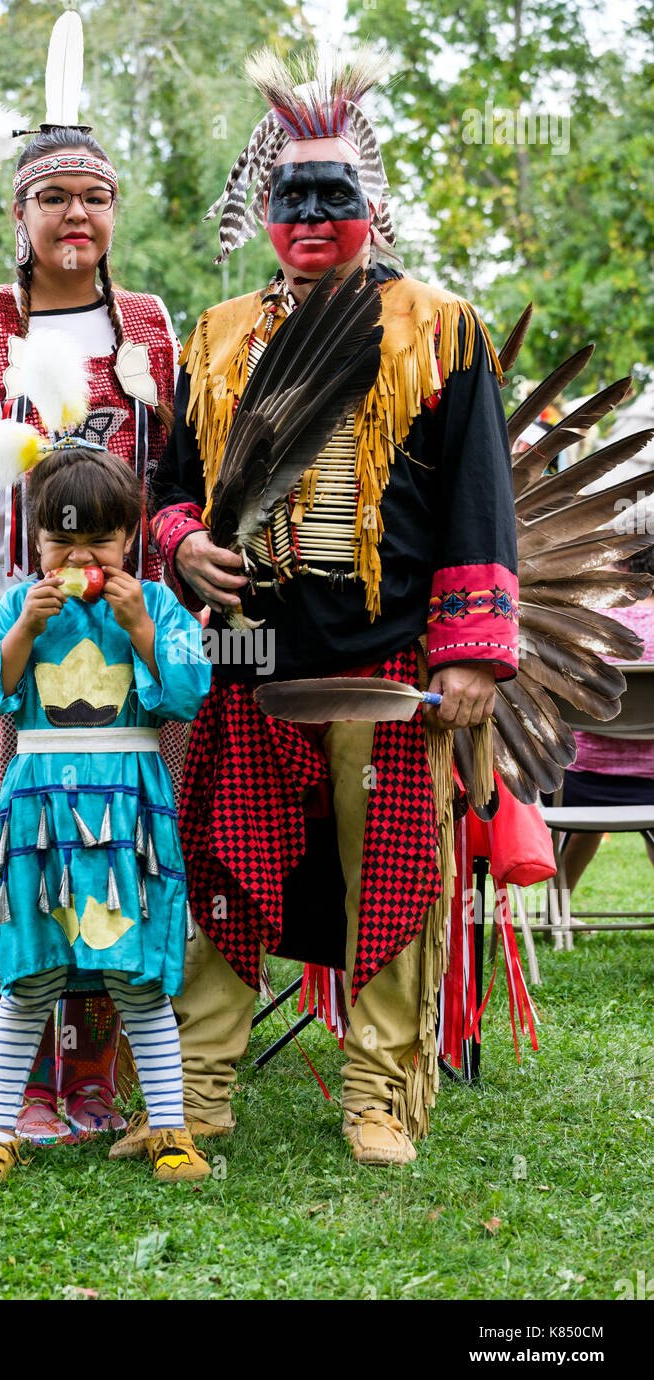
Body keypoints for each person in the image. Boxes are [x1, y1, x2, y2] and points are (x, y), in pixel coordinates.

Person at [144, 47, 519, 1167]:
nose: (311, 219)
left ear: (370, 207)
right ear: (263, 213)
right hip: (248, 653)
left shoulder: (441, 327)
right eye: (290, 200)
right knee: (221, 861)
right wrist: (185, 544)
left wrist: (467, 654)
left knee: (393, 880)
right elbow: (168, 492)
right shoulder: (213, 339)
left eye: (333, 198)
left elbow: (477, 496)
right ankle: (197, 1092)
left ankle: (376, 1096)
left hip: (387, 662)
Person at [0, 9, 181, 1142]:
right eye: (55, 197)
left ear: (114, 213)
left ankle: (96, 1073)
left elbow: (173, 487)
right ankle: (9, 1076)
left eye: (95, 197)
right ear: (18, 212)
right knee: (5, 849)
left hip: (119, 636)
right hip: (2, 628)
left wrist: (155, 608)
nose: (78, 215)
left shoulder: (153, 329)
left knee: (112, 843)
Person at [0, 435, 211, 1184]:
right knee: (30, 975)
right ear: (35, 540)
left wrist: (139, 629)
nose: (80, 557)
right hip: (39, 819)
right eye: (61, 540)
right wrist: (26, 629)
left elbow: (186, 695)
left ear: (131, 537)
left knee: (136, 978)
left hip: (128, 818)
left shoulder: (156, 604)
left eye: (100, 540)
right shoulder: (15, 609)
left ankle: (171, 1129)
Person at [557, 543, 654, 890]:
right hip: (651, 785)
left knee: (590, 820)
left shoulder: (588, 622)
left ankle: (558, 912)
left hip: (581, 788)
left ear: (621, 566)